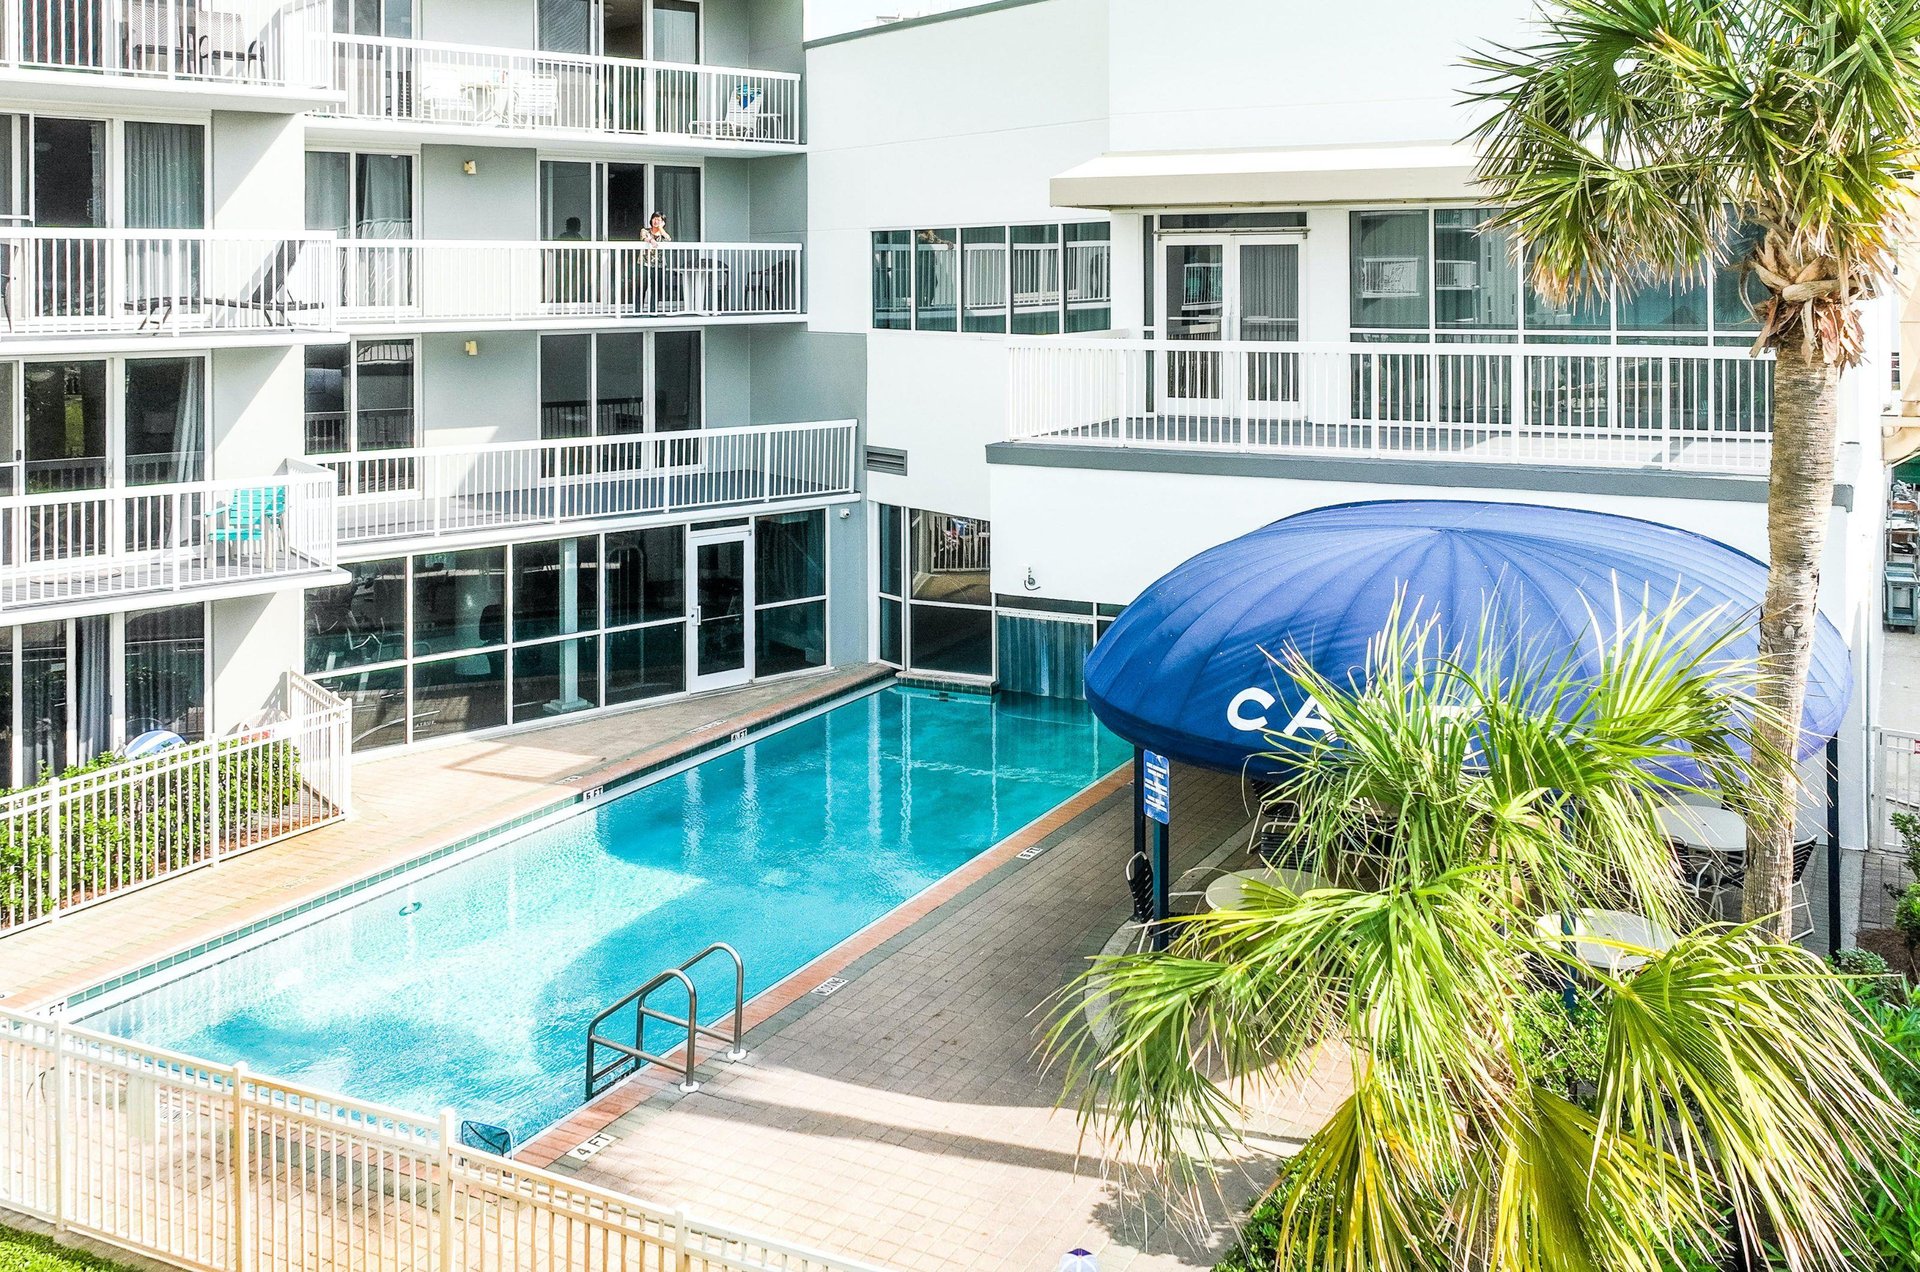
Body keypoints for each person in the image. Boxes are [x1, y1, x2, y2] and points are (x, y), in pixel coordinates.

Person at [640, 212, 672, 313]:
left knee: (656, 288)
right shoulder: (645, 230)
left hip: (659, 264)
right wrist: (651, 240)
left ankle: (653, 311)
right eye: (654, 218)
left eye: (659, 219)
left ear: (663, 222)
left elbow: (668, 239)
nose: (656, 221)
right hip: (644, 263)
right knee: (640, 287)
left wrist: (661, 229)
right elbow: (644, 237)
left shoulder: (663, 234)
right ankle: (638, 311)